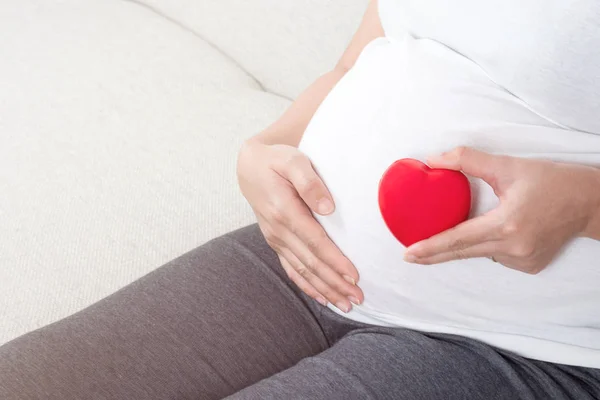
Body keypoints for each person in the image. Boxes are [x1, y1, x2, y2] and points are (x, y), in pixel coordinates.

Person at [1, 0, 599, 398]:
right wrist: (269, 146)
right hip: (302, 256)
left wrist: (585, 203)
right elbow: (365, 52)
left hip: (522, 345)